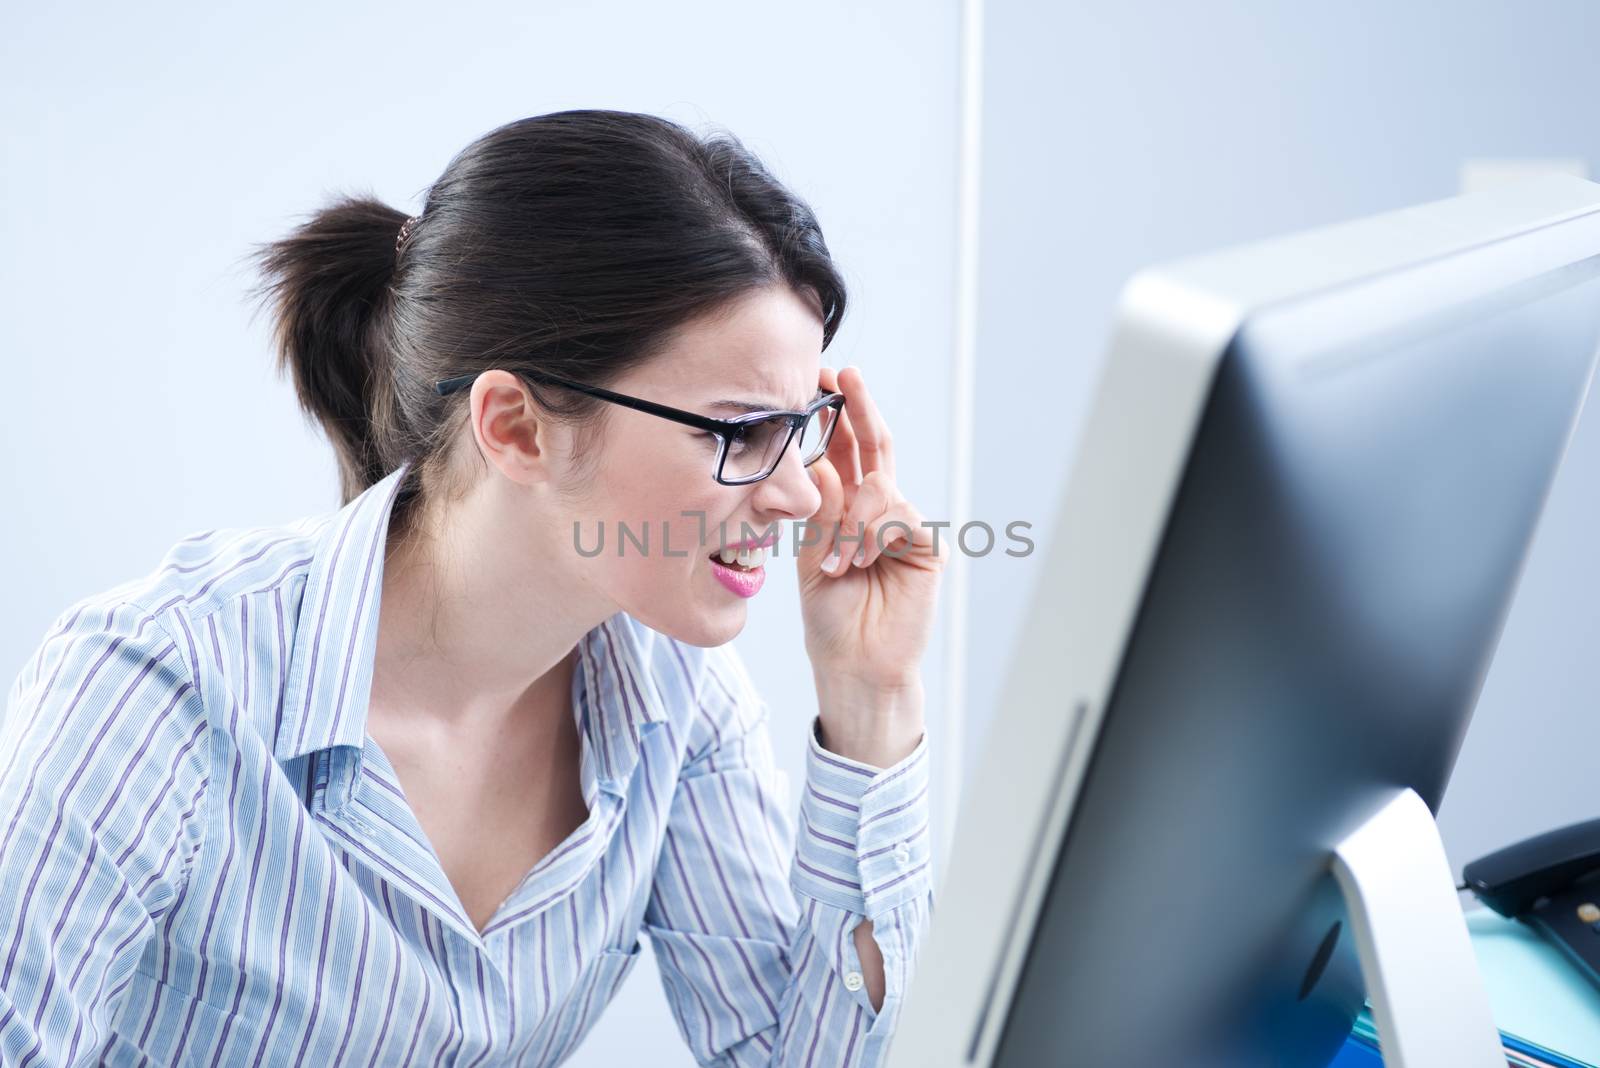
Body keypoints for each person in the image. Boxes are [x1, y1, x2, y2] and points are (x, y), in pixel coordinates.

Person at [0, 109, 946, 1067]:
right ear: (518, 427)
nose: (798, 495)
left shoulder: (678, 703)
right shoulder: (158, 686)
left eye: (804, 424)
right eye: (736, 429)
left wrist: (872, 699)